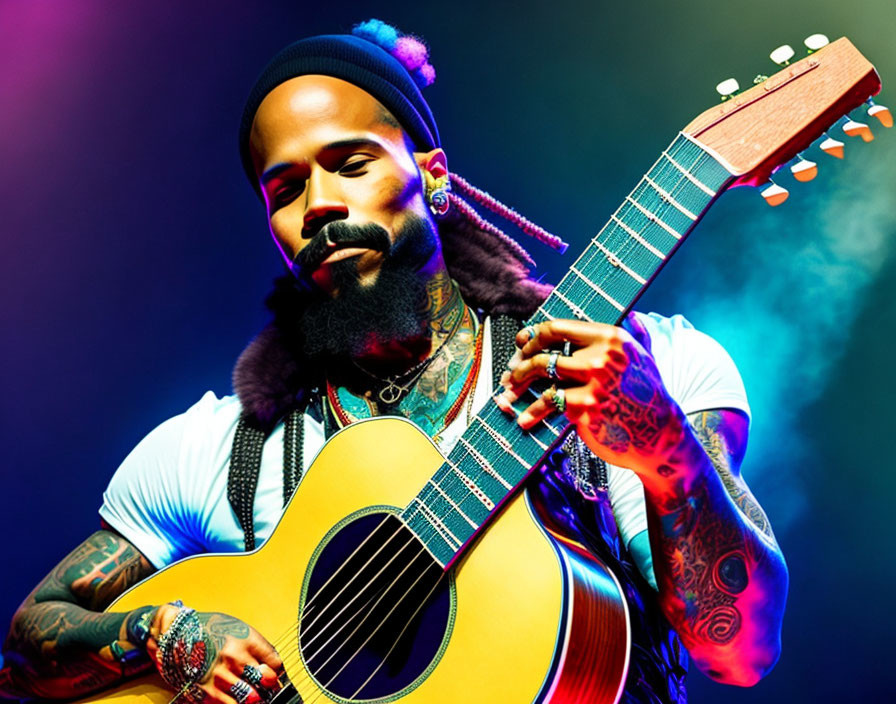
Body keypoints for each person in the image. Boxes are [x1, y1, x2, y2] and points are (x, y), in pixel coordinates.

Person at [0, 19, 787, 704]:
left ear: (433, 177)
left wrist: (665, 451)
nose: (321, 206)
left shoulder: (633, 368)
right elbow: (30, 645)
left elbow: (742, 653)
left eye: (350, 164)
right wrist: (164, 633)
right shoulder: (216, 449)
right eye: (286, 187)